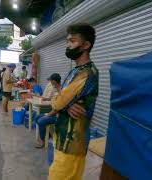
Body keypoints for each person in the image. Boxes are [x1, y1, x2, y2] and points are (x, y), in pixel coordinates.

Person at [48, 23, 98, 180]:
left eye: (72, 41)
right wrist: (67, 105)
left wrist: (62, 104)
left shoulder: (87, 73)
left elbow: (57, 102)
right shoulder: (74, 71)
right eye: (67, 41)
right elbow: (61, 100)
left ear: (86, 45)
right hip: (63, 137)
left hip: (72, 143)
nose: (68, 45)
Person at [33, 73, 61, 148]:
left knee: (41, 121)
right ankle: (47, 138)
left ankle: (43, 141)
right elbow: (53, 101)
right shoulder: (56, 90)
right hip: (53, 112)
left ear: (54, 81)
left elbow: (57, 108)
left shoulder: (61, 91)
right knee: (37, 117)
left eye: (51, 81)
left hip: (59, 116)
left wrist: (48, 114)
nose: (50, 83)